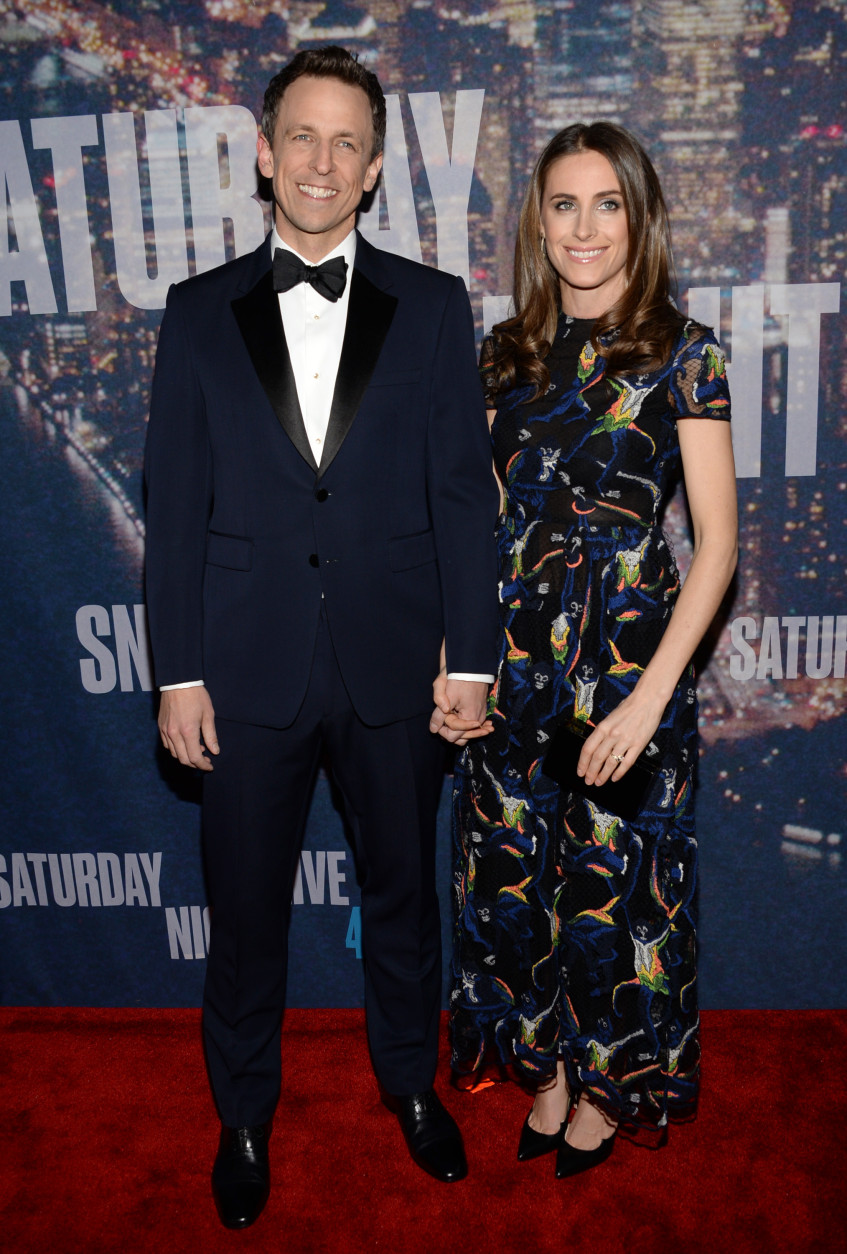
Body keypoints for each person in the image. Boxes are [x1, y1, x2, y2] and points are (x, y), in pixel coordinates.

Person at [145, 46, 499, 1229]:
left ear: (375, 167)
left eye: (348, 142)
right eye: (302, 135)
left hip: (396, 664)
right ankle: (244, 1114)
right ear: (264, 150)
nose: (321, 161)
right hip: (244, 671)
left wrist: (472, 657)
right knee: (244, 914)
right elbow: (173, 508)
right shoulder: (197, 315)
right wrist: (178, 672)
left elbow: (462, 498)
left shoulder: (433, 307)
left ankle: (410, 1086)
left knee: (403, 898)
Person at [446, 121, 738, 1177]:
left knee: (616, 894)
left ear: (638, 218)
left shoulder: (685, 352)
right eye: (563, 204)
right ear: (537, 221)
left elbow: (717, 547)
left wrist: (650, 700)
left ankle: (612, 1088)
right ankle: (549, 1073)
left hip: (625, 666)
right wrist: (459, 661)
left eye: (605, 204)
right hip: (515, 661)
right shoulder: (503, 354)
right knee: (515, 885)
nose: (583, 227)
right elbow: (476, 525)